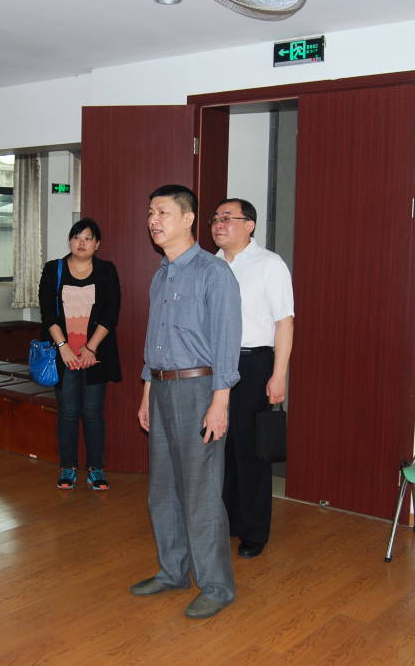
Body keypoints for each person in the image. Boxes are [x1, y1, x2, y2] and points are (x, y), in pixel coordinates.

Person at [132, 185, 242, 620]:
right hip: (161, 388)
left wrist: (220, 402)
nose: (153, 220)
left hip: (200, 390)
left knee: (201, 491)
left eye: (162, 212)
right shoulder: (161, 275)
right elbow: (153, 340)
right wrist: (147, 393)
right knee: (162, 489)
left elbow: (226, 342)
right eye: (150, 212)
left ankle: (217, 586)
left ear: (188, 218)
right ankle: (173, 571)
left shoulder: (214, 273)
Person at [211, 199, 294, 559]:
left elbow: (284, 323)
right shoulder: (211, 264)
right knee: (220, 448)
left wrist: (279, 375)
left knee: (249, 450)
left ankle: (254, 530)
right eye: (216, 219)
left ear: (250, 225)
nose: (219, 224)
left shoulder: (269, 264)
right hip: (215, 364)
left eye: (227, 218)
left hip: (253, 363)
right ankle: (227, 521)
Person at [38, 218, 122, 491]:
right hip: (64, 355)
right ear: (70, 241)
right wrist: (63, 347)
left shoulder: (107, 271)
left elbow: (111, 314)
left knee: (93, 412)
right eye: (76, 237)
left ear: (97, 244)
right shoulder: (53, 270)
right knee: (68, 412)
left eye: (88, 238)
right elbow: (47, 314)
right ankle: (68, 467)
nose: (81, 243)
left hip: (94, 354)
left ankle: (96, 468)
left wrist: (91, 347)